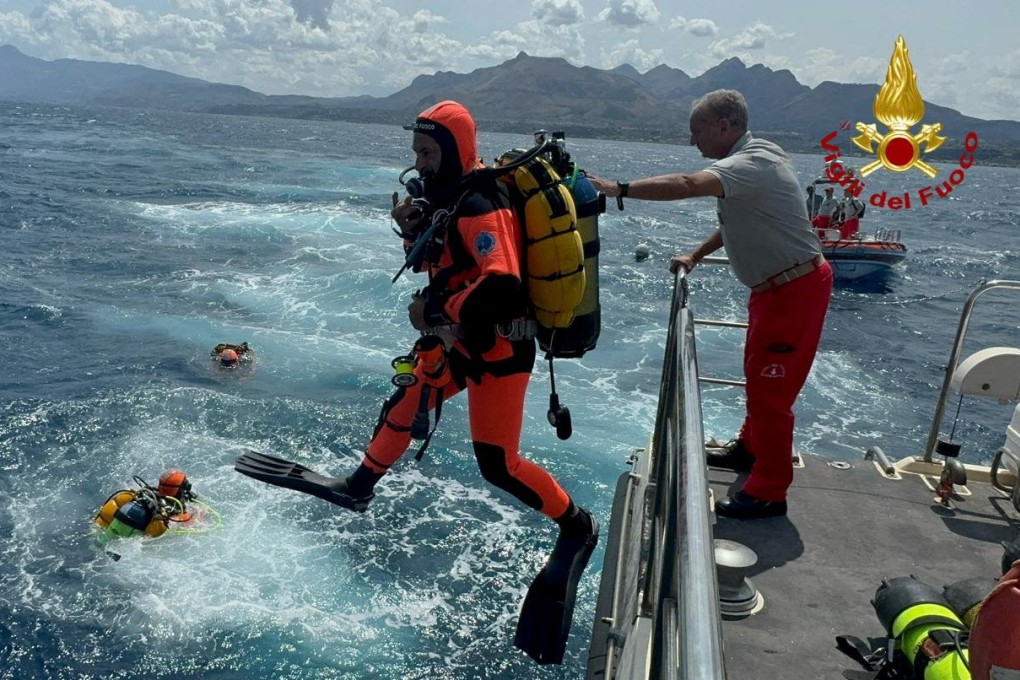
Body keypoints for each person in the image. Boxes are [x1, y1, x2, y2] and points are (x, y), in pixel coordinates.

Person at [235, 100, 598, 663]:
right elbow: (443, 260)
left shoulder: (479, 201)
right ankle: (359, 485)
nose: (421, 164)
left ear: (455, 150)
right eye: (417, 154)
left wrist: (436, 307)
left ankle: (577, 526)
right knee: (408, 397)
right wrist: (411, 234)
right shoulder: (448, 198)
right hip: (458, 341)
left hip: (497, 348)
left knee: (498, 465)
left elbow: (500, 283)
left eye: (429, 153)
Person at [589, 89, 833, 519]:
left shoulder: (750, 163)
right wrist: (696, 255)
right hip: (777, 289)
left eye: (696, 131)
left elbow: (686, 184)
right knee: (759, 380)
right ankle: (749, 450)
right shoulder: (760, 156)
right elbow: (742, 220)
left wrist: (616, 188)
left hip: (794, 291)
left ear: (724, 127)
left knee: (771, 393)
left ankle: (769, 491)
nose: (692, 141)